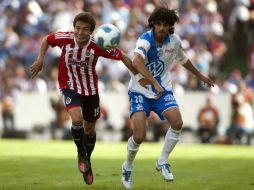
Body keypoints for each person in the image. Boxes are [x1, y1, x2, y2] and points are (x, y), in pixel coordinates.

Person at [30, 12, 143, 185]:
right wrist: (40, 60)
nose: (80, 32)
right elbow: (47, 39)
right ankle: (81, 154)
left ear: (91, 32)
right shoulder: (64, 38)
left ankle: (87, 161)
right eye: (78, 28)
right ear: (74, 28)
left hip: (90, 91)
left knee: (89, 129)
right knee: (76, 119)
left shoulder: (98, 45)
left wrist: (138, 76)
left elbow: (123, 57)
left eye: (85, 29)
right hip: (68, 87)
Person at [121, 7, 214, 189]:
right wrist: (154, 83)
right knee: (139, 135)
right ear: (153, 24)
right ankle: (127, 167)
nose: (162, 28)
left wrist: (200, 76)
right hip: (140, 91)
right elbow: (136, 62)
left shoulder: (175, 41)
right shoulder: (145, 39)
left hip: (162, 91)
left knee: (177, 122)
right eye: (158, 24)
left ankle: (162, 161)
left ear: (171, 26)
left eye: (166, 25)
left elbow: (184, 59)